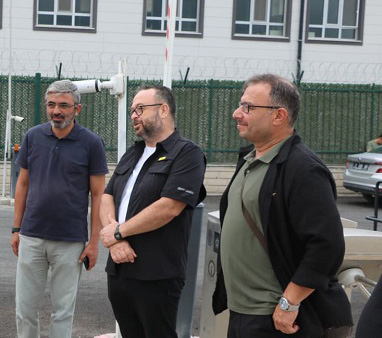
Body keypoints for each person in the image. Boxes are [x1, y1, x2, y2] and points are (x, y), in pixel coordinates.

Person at [212, 74, 352, 337]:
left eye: (248, 107)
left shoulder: (303, 169)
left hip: (277, 318)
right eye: (240, 105)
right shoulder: (250, 159)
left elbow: (326, 245)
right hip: (243, 312)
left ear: (279, 115)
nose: (236, 114)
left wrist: (290, 302)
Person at [99, 84, 206, 338]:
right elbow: (107, 196)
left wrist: (118, 232)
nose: (134, 115)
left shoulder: (187, 154)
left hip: (157, 275)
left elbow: (169, 207)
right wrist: (116, 242)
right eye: (132, 110)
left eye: (140, 109)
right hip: (120, 269)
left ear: (164, 110)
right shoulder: (133, 153)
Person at [10, 79, 108, 338]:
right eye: (51, 104)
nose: (56, 111)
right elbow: (23, 184)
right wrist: (16, 228)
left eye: (63, 105)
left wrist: (94, 242)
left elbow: (98, 195)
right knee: (24, 309)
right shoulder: (33, 136)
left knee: (63, 311)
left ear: (77, 109)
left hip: (70, 241)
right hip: (32, 236)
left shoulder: (91, 143)